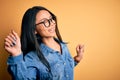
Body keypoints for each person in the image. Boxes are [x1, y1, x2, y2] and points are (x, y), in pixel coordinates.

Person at [4, 6, 84, 80]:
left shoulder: (62, 45)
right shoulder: (32, 58)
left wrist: (76, 59)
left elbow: (63, 68)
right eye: (45, 21)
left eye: (51, 18)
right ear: (34, 30)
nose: (52, 23)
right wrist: (16, 54)